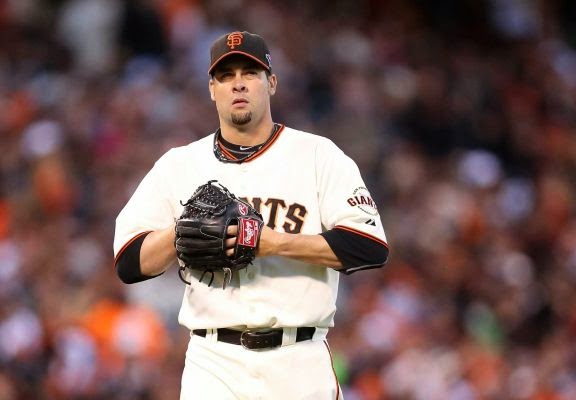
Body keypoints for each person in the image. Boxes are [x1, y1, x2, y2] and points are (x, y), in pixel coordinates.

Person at [113, 31, 388, 400]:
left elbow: (369, 246)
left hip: (299, 359)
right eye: (226, 76)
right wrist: (180, 231)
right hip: (214, 362)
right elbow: (129, 262)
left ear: (271, 82)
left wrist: (270, 242)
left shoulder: (317, 155)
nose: (238, 84)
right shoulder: (179, 164)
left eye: (250, 73)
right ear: (212, 89)